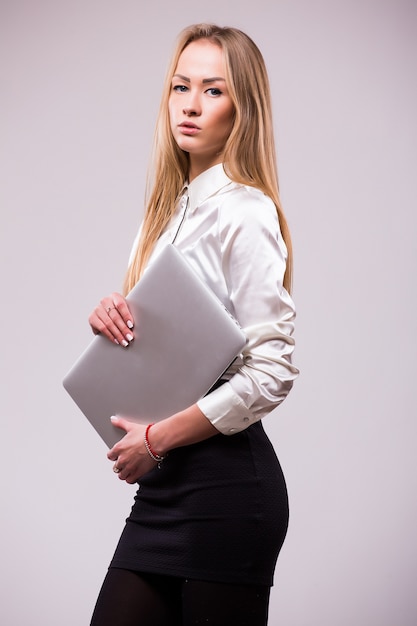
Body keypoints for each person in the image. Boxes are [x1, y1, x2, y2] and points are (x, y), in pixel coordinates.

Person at [88, 23, 298, 626]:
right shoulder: (167, 212)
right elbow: (166, 352)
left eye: (213, 90)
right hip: (167, 485)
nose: (191, 103)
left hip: (227, 489)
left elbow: (273, 370)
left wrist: (157, 438)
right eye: (182, 86)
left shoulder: (247, 211)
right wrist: (113, 317)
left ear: (242, 108)